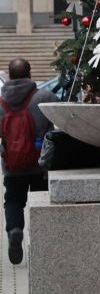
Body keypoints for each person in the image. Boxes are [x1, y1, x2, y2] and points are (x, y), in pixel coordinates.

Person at [0, 59, 54, 265]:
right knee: (41, 202)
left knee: (13, 201)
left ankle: (15, 230)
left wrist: (5, 150)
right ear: (30, 74)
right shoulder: (44, 97)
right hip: (41, 163)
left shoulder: (1, 102)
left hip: (13, 165)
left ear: (9, 76)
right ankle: (42, 246)